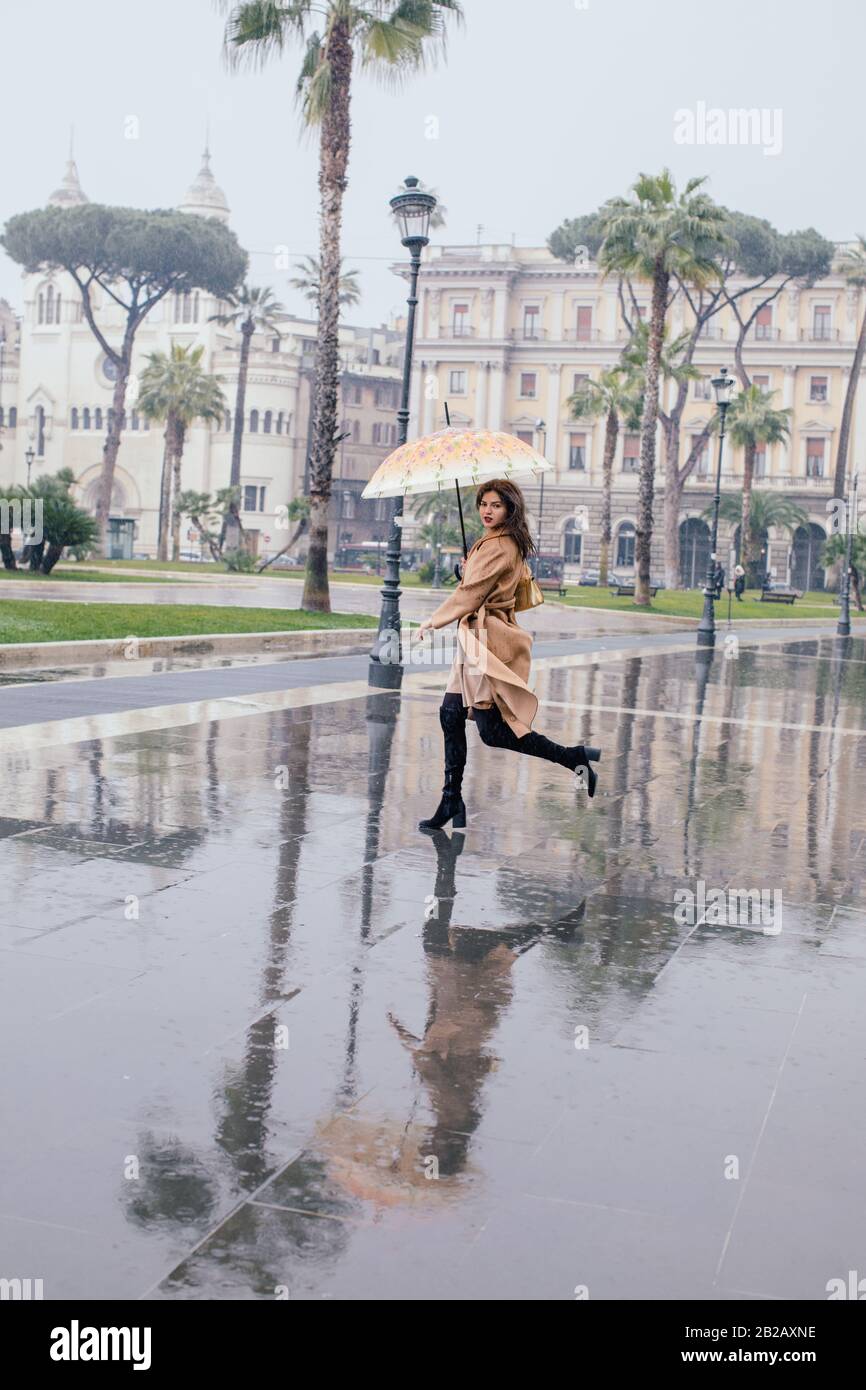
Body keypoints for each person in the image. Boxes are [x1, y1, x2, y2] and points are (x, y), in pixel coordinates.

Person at [415, 479, 601, 832]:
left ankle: (573, 758)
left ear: (510, 508)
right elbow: (483, 585)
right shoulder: (497, 542)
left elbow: (470, 595)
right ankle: (450, 799)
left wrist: (433, 619)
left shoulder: (500, 545)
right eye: (483, 503)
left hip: (486, 641)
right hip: (475, 637)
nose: (487, 510)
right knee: (450, 714)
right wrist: (468, 568)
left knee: (491, 731)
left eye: (496, 505)